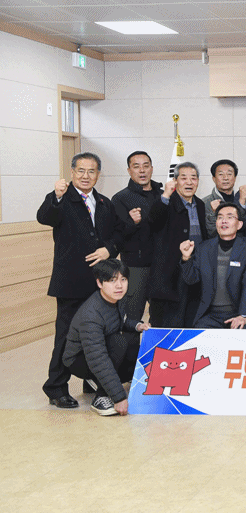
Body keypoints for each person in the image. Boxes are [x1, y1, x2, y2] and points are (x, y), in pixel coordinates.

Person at [37, 152, 122, 409]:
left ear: (98, 175)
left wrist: (109, 249)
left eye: (91, 171)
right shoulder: (62, 199)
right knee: (65, 336)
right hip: (70, 282)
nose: (86, 176)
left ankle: (92, 381)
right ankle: (56, 388)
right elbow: (45, 217)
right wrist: (56, 195)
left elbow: (119, 233)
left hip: (99, 283)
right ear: (72, 172)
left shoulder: (104, 202)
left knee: (101, 334)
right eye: (81, 171)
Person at [62, 260, 149, 416]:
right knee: (119, 342)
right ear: (99, 283)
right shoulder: (91, 314)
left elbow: (118, 320)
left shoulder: (116, 299)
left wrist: (138, 326)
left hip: (102, 348)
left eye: (123, 279)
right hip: (80, 359)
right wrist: (119, 397)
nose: (119, 285)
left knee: (134, 359)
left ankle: (96, 381)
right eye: (112, 280)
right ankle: (101, 396)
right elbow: (97, 358)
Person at [147, 162, 208, 329]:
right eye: (184, 178)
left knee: (190, 323)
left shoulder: (200, 205)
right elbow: (153, 221)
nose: (189, 182)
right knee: (167, 326)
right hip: (168, 276)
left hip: (193, 273)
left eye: (193, 178)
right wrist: (166, 195)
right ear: (175, 181)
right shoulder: (166, 202)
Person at [180, 202, 246, 329]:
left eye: (229, 217)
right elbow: (191, 279)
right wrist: (186, 258)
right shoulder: (204, 248)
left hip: (236, 313)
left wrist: (243, 315)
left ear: (239, 224)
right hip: (210, 315)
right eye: (220, 217)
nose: (223, 221)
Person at [112, 150, 163, 322]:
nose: (142, 170)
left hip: (162, 267)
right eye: (136, 166)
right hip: (135, 268)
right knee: (131, 319)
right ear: (129, 171)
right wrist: (131, 222)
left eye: (146, 166)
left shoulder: (163, 195)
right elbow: (116, 235)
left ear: (151, 169)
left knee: (161, 318)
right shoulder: (120, 198)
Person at [203, 159, 241, 238]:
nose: (225, 178)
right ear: (214, 178)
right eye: (221, 174)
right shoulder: (204, 203)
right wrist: (213, 214)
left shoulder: (242, 199)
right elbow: (209, 233)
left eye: (229, 174)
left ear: (235, 178)